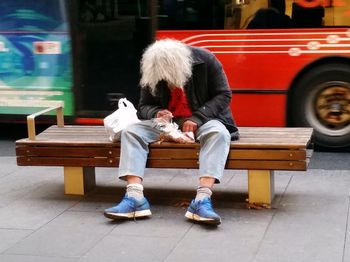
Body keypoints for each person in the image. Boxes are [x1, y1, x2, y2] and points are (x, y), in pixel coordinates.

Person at [104, 39, 239, 226]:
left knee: (219, 133)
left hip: (204, 119)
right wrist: (156, 113)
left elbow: (224, 94)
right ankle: (134, 197)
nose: (166, 80)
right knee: (131, 132)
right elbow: (144, 106)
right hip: (167, 124)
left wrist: (197, 118)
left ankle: (202, 200)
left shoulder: (206, 60)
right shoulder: (154, 66)